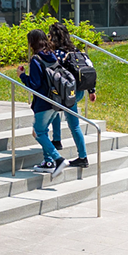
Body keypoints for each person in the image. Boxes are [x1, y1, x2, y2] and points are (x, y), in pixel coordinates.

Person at [18, 29, 68, 178]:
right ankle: (48, 162)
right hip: (55, 100)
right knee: (44, 130)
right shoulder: (52, 56)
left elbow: (34, 84)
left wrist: (22, 76)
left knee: (38, 132)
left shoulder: (36, 59)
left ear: (32, 42)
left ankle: (58, 159)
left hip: (43, 102)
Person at [47, 22, 96, 170]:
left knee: (73, 124)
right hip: (79, 91)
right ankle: (57, 140)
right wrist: (92, 91)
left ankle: (82, 157)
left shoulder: (57, 54)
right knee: (56, 111)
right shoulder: (76, 51)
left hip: (66, 93)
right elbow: (88, 67)